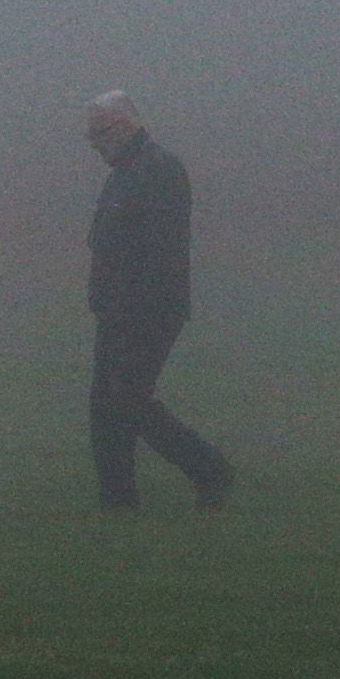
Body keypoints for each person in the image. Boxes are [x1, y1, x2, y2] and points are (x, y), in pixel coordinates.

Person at [81, 89, 235, 513]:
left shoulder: (160, 170)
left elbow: (163, 252)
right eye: (90, 137)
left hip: (147, 311)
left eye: (100, 133)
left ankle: (207, 467)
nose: (95, 144)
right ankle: (117, 501)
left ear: (126, 123)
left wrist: (135, 307)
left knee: (126, 398)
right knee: (106, 404)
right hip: (117, 310)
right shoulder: (125, 171)